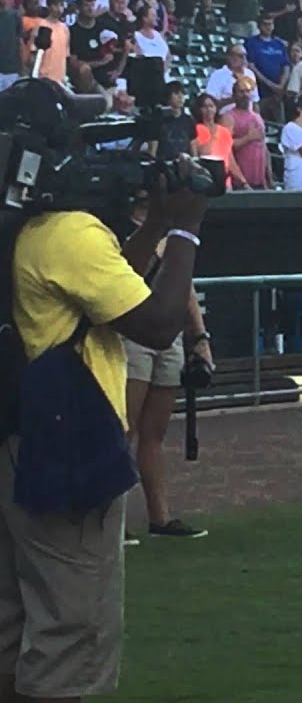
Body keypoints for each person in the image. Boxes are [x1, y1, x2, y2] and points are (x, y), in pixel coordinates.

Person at [0, 75, 209, 702]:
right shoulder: (65, 233)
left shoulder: (24, 230)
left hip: (12, 436)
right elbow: (155, 322)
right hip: (60, 445)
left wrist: (152, 231)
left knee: (12, 624)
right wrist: (188, 230)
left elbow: (100, 288)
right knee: (73, 632)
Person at [124, 194, 211, 542]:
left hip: (168, 335)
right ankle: (113, 520)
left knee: (154, 433)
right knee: (124, 430)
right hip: (132, 331)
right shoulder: (121, 232)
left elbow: (184, 287)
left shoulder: (171, 234)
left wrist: (199, 336)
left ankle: (160, 517)